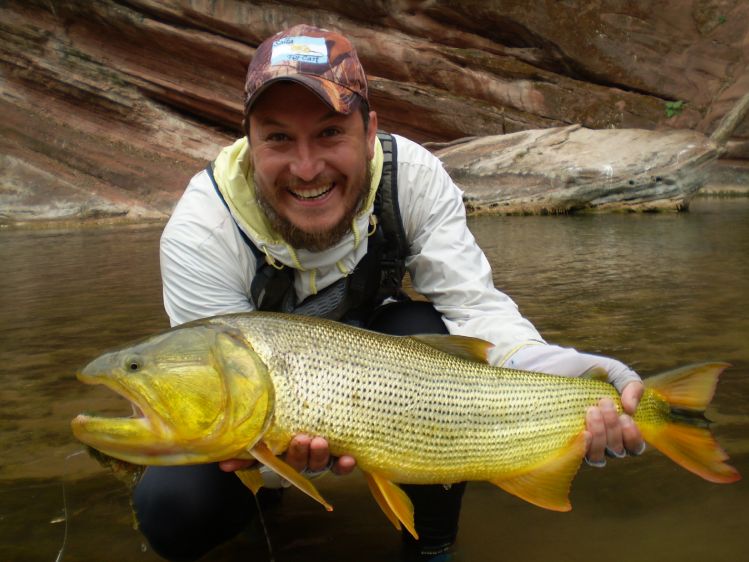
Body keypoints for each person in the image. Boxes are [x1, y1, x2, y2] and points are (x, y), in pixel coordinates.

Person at [135, 24, 645, 562]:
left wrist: (571, 372)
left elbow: (477, 312)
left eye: (331, 132)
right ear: (247, 140)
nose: (307, 168)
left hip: (387, 378)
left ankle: (431, 548)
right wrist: (278, 460)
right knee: (173, 508)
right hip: (269, 407)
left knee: (424, 332)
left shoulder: (414, 179)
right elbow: (221, 397)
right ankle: (263, 507)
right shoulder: (201, 230)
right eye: (279, 137)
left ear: (369, 129)